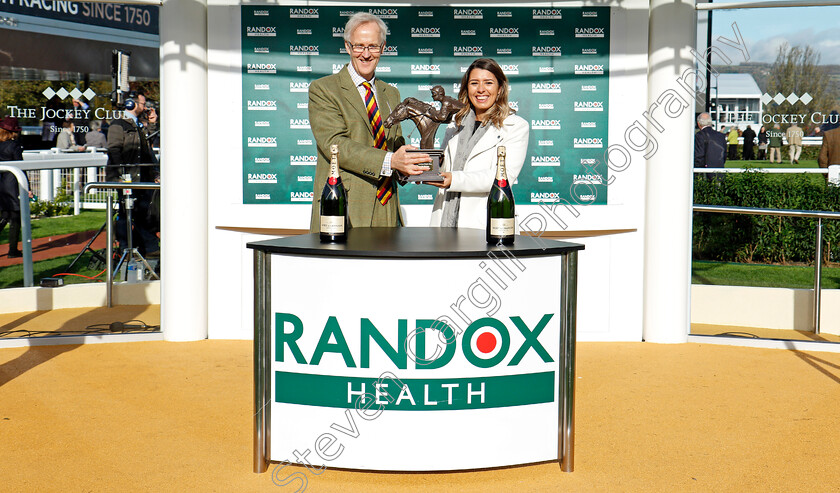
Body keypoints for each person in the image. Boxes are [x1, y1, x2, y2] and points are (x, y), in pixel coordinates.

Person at [307, 12, 430, 230]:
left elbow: (395, 147)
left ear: (383, 48)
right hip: (345, 207)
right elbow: (335, 145)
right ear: (347, 47)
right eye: (359, 46)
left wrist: (410, 166)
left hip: (388, 207)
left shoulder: (391, 93)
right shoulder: (324, 89)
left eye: (373, 46)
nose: (366, 54)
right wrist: (392, 161)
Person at [427, 58, 529, 229]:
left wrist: (454, 179)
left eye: (488, 83)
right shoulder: (454, 124)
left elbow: (502, 178)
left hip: (487, 223)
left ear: (500, 89)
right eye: (474, 83)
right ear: (467, 89)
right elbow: (443, 167)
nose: (481, 89)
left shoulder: (515, 126)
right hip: (444, 221)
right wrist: (425, 168)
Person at [107, 92, 160, 257]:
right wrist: (122, 174)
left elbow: (147, 148)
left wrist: (152, 124)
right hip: (127, 177)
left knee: (143, 212)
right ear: (132, 104)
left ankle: (148, 247)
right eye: (143, 104)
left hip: (141, 177)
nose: (146, 107)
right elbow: (114, 150)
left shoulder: (139, 125)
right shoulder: (118, 124)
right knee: (126, 213)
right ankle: (127, 249)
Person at [0, 117, 26, 258]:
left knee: (4, 216)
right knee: (15, 218)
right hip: (13, 182)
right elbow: (21, 166)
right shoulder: (14, 145)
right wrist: (26, 186)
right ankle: (12, 250)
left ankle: (13, 250)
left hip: (2, 182)